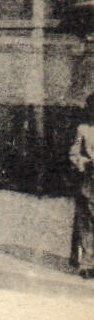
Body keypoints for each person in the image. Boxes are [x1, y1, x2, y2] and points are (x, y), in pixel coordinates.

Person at [70, 94, 94, 279]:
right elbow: (74, 153)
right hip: (89, 182)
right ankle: (88, 263)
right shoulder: (84, 130)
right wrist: (82, 162)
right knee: (86, 223)